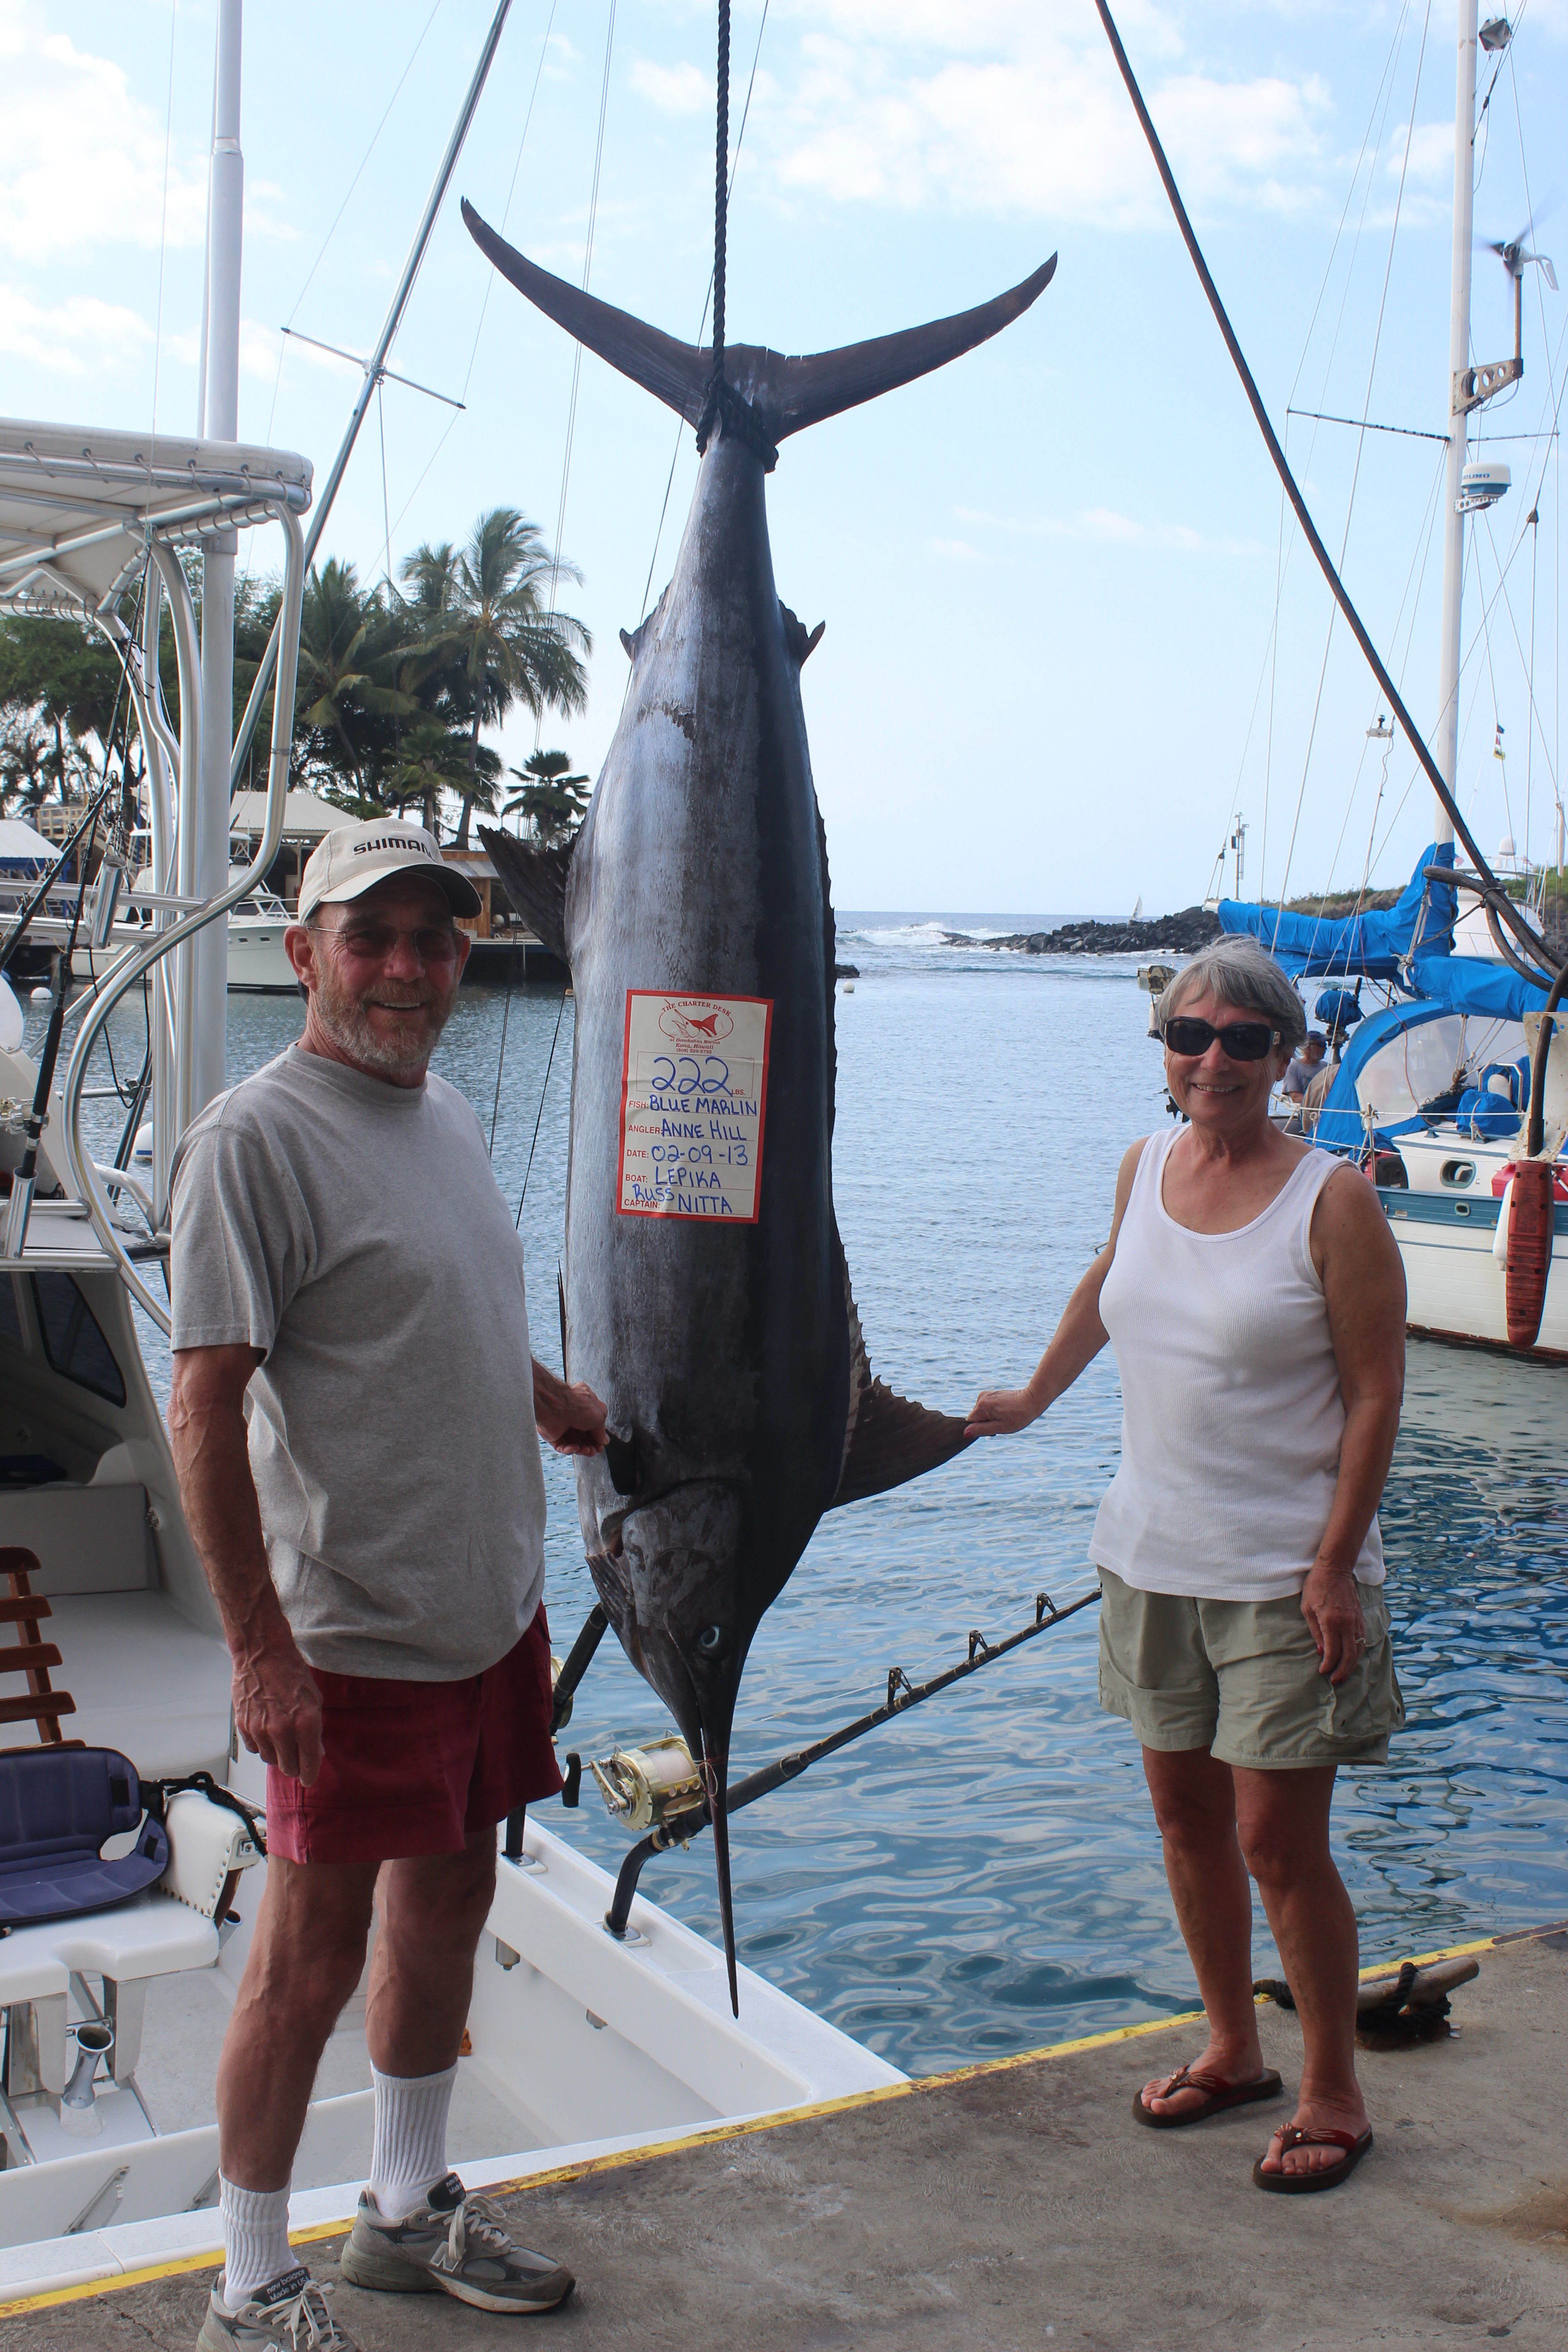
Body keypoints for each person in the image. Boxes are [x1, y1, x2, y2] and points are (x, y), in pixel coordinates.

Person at [168, 820, 608, 2352]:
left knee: (452, 1902)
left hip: (483, 1610)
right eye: (374, 936)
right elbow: (205, 1406)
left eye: (438, 939)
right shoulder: (254, 1139)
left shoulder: (450, 1114)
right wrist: (259, 1652)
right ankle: (247, 2286)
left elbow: (436, 1311)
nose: (410, 968)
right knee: (307, 1960)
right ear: (305, 953)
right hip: (346, 1632)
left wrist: (543, 1391)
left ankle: (404, 2212)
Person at [967, 936, 1406, 2195]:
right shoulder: (1144, 1163)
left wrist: (1335, 1569)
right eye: (1190, 1036)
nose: (1213, 1059)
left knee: (1277, 1840)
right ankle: (1233, 2050)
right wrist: (1036, 1397)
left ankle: (1333, 2088)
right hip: (1151, 1555)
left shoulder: (1332, 1199)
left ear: (1284, 1055)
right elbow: (1114, 1279)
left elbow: (1377, 1395)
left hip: (1286, 1574)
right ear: (1163, 1049)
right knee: (1183, 1819)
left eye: (1243, 1040)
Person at [1280, 1031, 1327, 1131]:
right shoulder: (1295, 1067)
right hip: (1309, 1116)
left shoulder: (1327, 1067)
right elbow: (1295, 1097)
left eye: (1326, 1045)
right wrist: (1319, 1103)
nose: (1325, 1048)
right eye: (1321, 1045)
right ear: (1308, 1048)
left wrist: (1336, 1051)